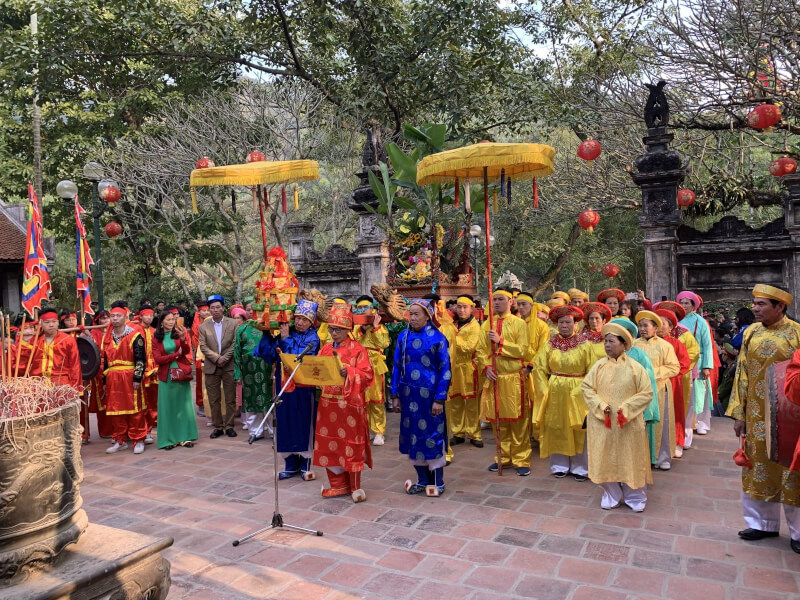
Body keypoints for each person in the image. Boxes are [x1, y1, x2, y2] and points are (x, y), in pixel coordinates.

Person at [728, 285, 800, 553]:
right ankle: (762, 524)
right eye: (754, 304)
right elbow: (742, 373)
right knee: (757, 467)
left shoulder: (796, 333)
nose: (755, 308)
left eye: (761, 304)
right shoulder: (751, 333)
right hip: (756, 415)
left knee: (791, 471)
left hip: (790, 415)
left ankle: (798, 531)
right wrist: (739, 412)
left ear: (780, 307)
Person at [582, 321, 654, 511]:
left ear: (624, 344)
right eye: (605, 341)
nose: (607, 345)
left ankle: (635, 496)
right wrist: (600, 406)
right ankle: (611, 493)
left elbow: (646, 393)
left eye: (612, 341)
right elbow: (587, 388)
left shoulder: (635, 367)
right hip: (602, 422)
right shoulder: (598, 366)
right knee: (604, 457)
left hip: (628, 423)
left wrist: (627, 408)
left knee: (631, 458)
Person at [390, 298, 452, 495]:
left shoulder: (438, 338)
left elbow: (446, 371)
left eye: (417, 314)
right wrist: (395, 394)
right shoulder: (403, 337)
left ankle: (438, 481)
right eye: (411, 313)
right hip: (409, 397)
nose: (413, 317)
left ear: (428, 316)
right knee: (413, 438)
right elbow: (397, 367)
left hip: (430, 397)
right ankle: (422, 480)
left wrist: (439, 399)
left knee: (431, 437)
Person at [314, 303, 374, 502]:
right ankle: (338, 485)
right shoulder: (326, 348)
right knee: (329, 444)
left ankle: (355, 486)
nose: (333, 332)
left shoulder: (358, 350)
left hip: (349, 406)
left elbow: (367, 376)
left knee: (350, 445)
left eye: (337, 329)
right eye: (331, 328)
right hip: (327, 404)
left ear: (348, 329)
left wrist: (349, 371)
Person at [256, 299, 321, 479]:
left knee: (303, 423)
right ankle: (290, 463)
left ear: (311, 322)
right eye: (298, 318)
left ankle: (305, 463)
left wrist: (285, 340)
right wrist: (267, 335)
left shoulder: (313, 338)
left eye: (304, 319)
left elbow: (298, 359)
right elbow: (268, 356)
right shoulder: (285, 331)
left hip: (302, 388)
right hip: (283, 387)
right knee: (285, 423)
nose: (300, 322)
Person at [533, 305, 593, 480]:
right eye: (561, 322)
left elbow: (592, 371)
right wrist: (544, 389)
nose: (564, 325)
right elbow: (539, 368)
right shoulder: (550, 344)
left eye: (568, 322)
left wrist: (583, 389)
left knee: (578, 427)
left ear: (576, 325)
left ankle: (580, 467)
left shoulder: (585, 344)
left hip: (578, 390)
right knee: (556, 426)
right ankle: (559, 464)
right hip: (555, 390)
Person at [477, 290, 531, 476]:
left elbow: (523, 350)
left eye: (501, 299)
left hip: (514, 378)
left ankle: (521, 458)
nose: (497, 303)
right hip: (495, 379)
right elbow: (481, 350)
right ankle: (503, 457)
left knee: (518, 421)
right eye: (494, 300)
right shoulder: (486, 325)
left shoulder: (519, 324)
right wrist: (486, 367)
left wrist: (501, 342)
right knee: (498, 421)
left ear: (511, 301)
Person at [633, 311, 680, 470]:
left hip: (659, 390)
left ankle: (662, 457)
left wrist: (652, 373)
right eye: (640, 326)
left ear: (655, 328)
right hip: (638, 390)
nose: (643, 329)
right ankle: (642, 456)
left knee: (661, 423)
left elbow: (674, 367)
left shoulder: (664, 345)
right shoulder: (633, 345)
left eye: (646, 326)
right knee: (640, 423)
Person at [652, 300, 700, 458]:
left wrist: (673, 371)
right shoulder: (649, 339)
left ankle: (677, 441)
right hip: (653, 382)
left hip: (676, 380)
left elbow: (691, 354)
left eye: (665, 320)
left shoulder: (683, 335)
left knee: (677, 411)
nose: (660, 324)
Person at [102, 302, 147, 454]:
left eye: (118, 316)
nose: (114, 319)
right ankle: (120, 439)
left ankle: (139, 438)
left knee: (135, 409)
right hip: (113, 378)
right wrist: (104, 381)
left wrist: (137, 378)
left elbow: (141, 359)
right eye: (112, 316)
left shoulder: (134, 336)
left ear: (125, 317)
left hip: (129, 376)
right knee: (116, 410)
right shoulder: (107, 338)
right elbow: (106, 362)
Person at [151, 309, 197, 449]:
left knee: (183, 406)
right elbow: (158, 359)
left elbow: (187, 351)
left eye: (173, 319)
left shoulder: (178, 333)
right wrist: (176, 355)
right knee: (168, 408)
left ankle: (185, 438)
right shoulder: (156, 338)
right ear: (161, 321)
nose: (171, 322)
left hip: (180, 373)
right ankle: (168, 440)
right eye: (168, 319)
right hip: (166, 375)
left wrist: (183, 339)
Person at [444, 295, 483, 449]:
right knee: (455, 401)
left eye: (465, 307)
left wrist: (453, 336)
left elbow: (469, 346)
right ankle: (458, 432)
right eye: (459, 307)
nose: (461, 310)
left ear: (471, 308)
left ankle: (475, 433)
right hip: (453, 366)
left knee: (472, 403)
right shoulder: (452, 324)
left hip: (469, 367)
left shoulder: (475, 327)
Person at [199, 295, 239, 439]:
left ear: (223, 308)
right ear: (209, 310)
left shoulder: (233, 323)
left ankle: (229, 426)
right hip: (212, 366)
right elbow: (203, 346)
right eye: (212, 308)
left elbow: (236, 343)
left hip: (228, 365)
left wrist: (225, 357)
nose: (215, 310)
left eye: (218, 307)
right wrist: (216, 358)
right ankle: (218, 426)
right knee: (214, 399)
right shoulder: (203, 326)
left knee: (230, 398)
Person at [353, 296, 391, 446]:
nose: (362, 310)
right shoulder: (355, 328)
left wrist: (374, 328)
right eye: (359, 308)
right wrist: (362, 328)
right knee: (362, 400)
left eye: (365, 307)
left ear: (372, 309)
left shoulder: (380, 327)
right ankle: (364, 430)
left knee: (376, 400)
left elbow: (384, 343)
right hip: (359, 367)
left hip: (374, 367)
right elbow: (353, 342)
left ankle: (379, 431)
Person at [677, 290, 715, 441]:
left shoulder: (701, 322)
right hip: (680, 361)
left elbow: (707, 345)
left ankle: (701, 422)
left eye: (687, 303)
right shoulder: (675, 320)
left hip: (697, 361)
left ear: (693, 306)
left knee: (699, 394)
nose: (684, 305)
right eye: (682, 302)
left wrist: (706, 365)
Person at [514, 292, 551, 444]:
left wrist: (530, 366)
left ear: (531, 305)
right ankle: (523, 435)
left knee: (537, 401)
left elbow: (543, 349)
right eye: (519, 304)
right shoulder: (514, 323)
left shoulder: (541, 326)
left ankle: (539, 435)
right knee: (520, 403)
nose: (521, 307)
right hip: (517, 369)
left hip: (536, 370)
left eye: (524, 304)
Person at [234, 304, 273, 441]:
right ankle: (256, 431)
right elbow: (237, 352)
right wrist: (237, 374)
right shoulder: (242, 329)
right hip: (249, 371)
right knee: (252, 400)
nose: (252, 312)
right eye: (249, 310)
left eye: (256, 310)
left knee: (271, 400)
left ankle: (273, 430)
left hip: (267, 369)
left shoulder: (269, 328)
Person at [138, 307, 158, 446]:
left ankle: (152, 425)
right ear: (140, 316)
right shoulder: (135, 331)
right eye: (146, 315)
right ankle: (143, 429)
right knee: (142, 401)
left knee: (153, 398)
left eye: (151, 315)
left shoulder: (155, 332)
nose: (149, 318)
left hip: (154, 368)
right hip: (141, 368)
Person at [190, 301, 211, 413]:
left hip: (213, 354)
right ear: (199, 312)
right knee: (200, 380)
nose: (206, 312)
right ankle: (201, 404)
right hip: (201, 355)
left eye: (208, 310)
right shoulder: (196, 325)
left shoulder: (214, 322)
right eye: (204, 310)